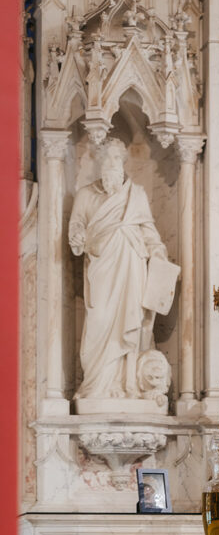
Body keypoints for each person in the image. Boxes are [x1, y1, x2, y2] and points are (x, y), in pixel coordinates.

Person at [68, 139, 176, 401]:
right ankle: (96, 386)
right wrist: (78, 237)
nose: (112, 164)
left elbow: (150, 235)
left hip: (131, 268)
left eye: (117, 159)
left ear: (123, 163)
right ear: (99, 163)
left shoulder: (135, 194)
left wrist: (160, 256)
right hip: (101, 269)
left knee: (130, 324)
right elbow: (76, 226)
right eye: (107, 159)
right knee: (99, 322)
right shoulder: (85, 194)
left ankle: (128, 386)